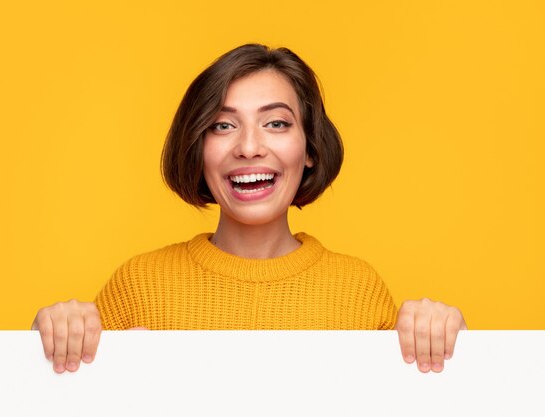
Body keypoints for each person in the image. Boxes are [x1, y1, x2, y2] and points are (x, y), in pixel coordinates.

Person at [32, 44, 467, 375]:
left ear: (310, 148)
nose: (249, 147)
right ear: (198, 148)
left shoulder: (358, 290)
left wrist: (445, 335)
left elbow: (425, 397)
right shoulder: (139, 286)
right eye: (222, 125)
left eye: (276, 123)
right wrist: (51, 334)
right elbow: (54, 395)